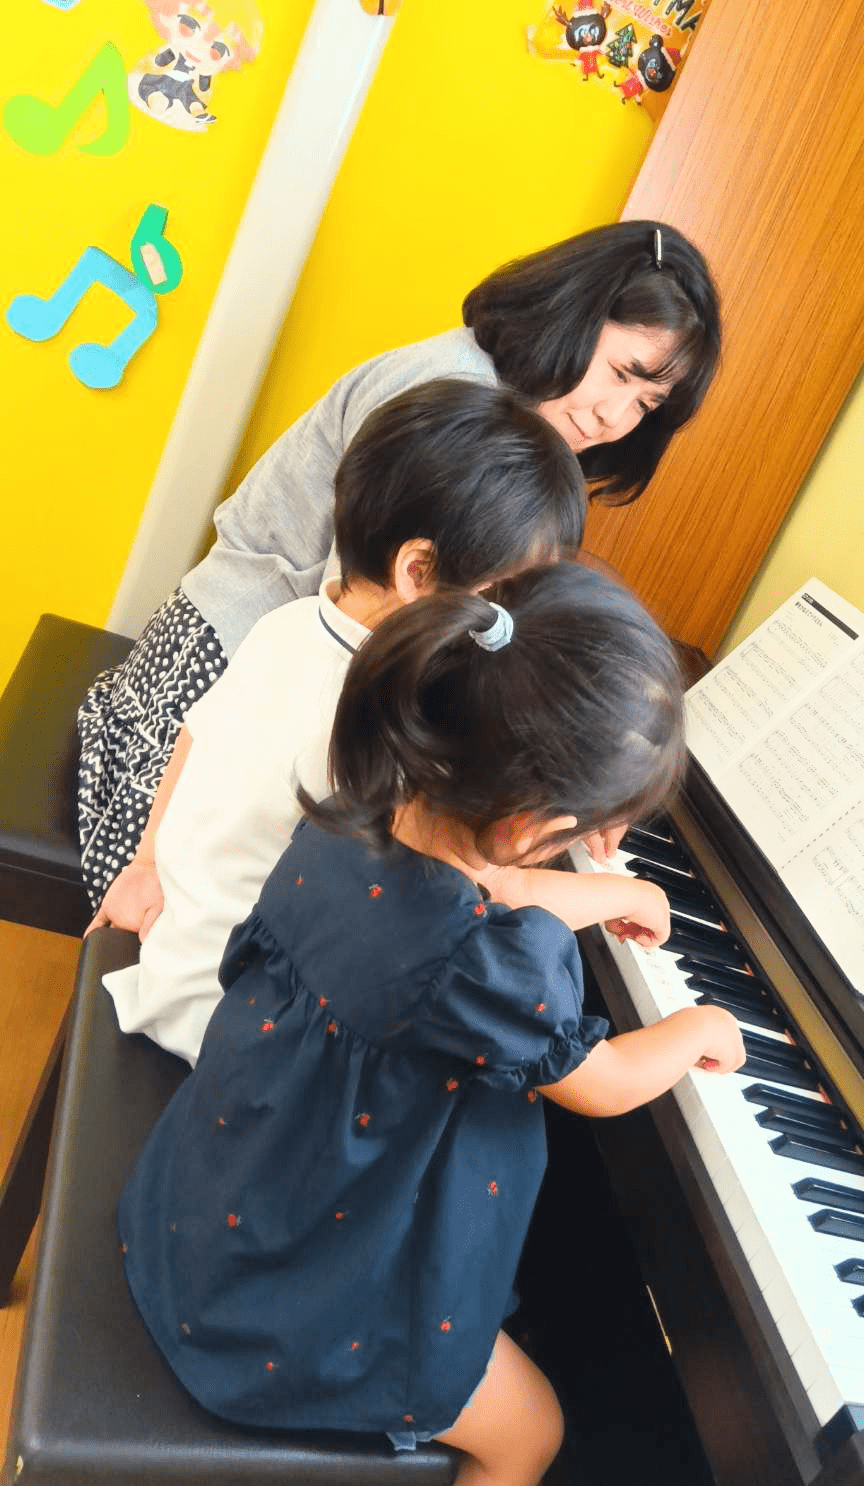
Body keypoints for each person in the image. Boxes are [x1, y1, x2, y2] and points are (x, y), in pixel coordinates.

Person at [117, 563, 746, 1486]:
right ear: (531, 823)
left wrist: (619, 891)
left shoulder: (350, 817)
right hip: (283, 1314)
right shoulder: (474, 965)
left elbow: (498, 883)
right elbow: (606, 1083)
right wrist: (700, 1025)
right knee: (534, 1434)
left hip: (205, 1209)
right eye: (590, 829)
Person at [77, 219, 722, 911]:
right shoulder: (456, 400)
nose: (614, 417)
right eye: (621, 373)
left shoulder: (508, 421)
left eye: (646, 403)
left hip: (287, 691)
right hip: (219, 683)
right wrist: (569, 777)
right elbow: (390, 647)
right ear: (574, 313)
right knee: (404, 910)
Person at [92, 377, 587, 1067]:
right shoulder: (384, 717)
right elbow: (482, 890)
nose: (516, 626)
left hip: (174, 963)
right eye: (505, 602)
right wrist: (625, 889)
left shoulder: (289, 622)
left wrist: (146, 862)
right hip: (245, 1028)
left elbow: (192, 737)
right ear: (417, 571)